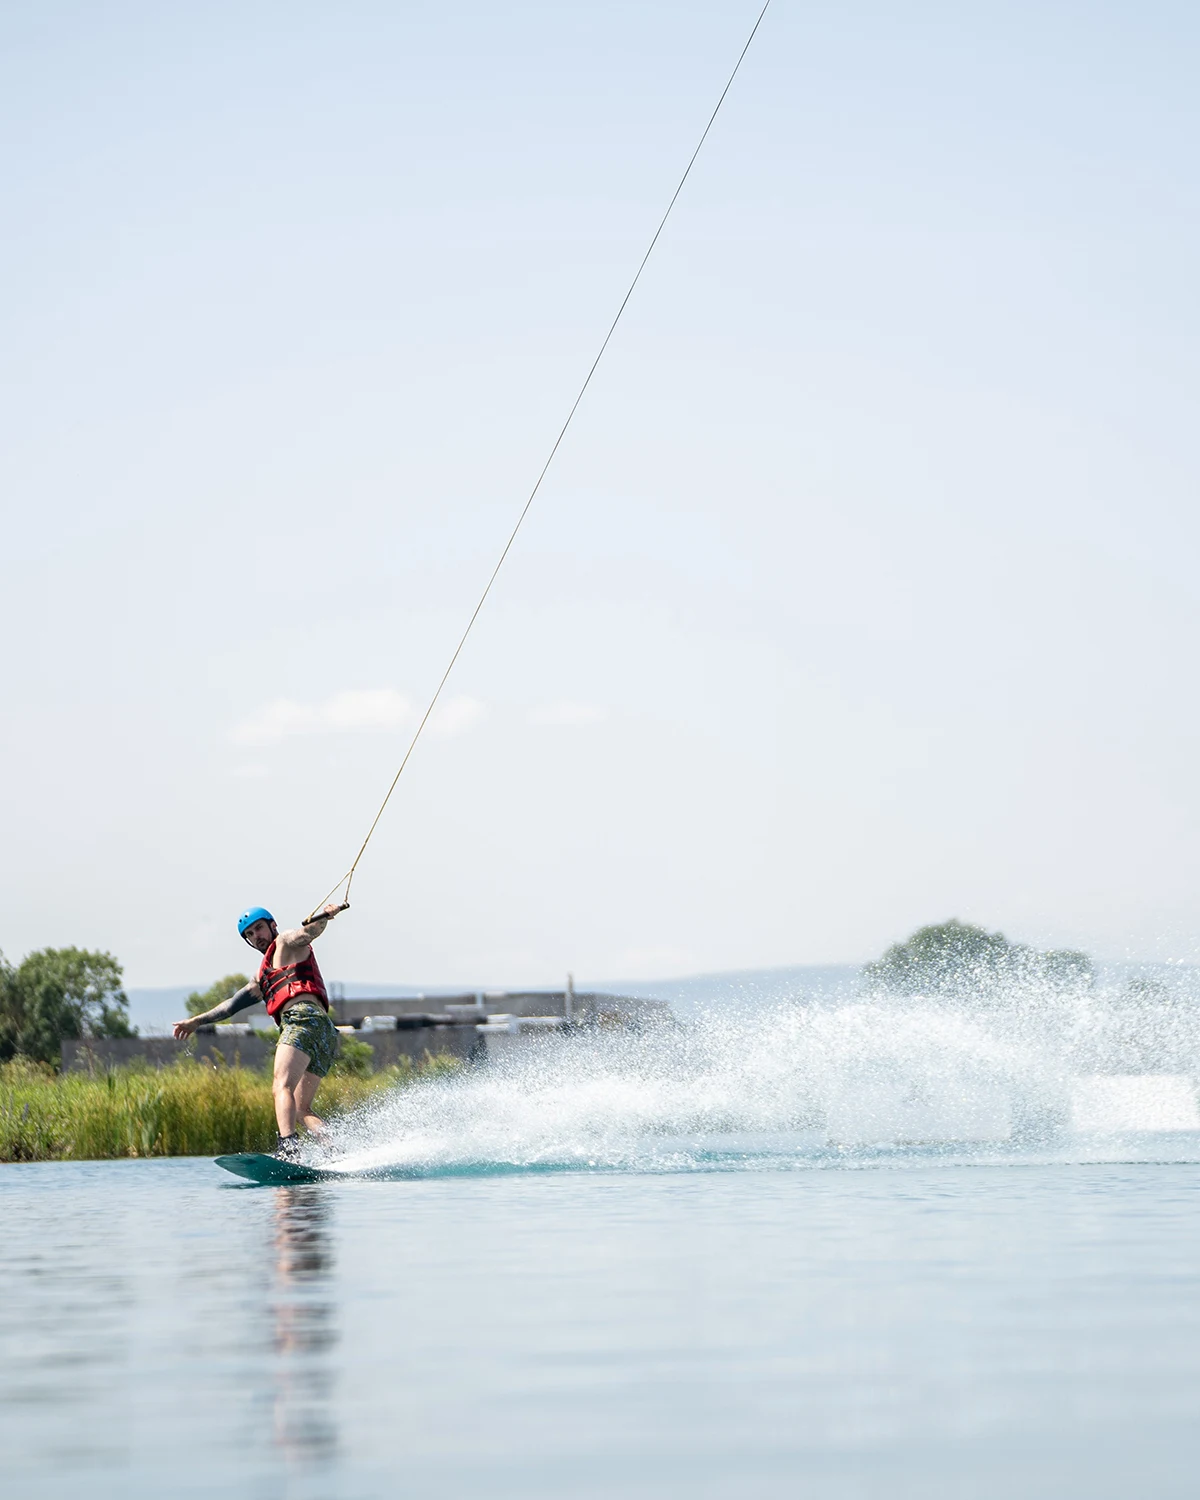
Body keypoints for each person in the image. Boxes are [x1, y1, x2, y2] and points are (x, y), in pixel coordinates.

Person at [174, 902, 347, 1159]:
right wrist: (197, 1021)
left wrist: (325, 916)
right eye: (250, 935)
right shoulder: (262, 976)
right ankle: (338, 1152)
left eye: (259, 929)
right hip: (324, 1032)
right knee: (301, 1109)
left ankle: (288, 1149)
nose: (256, 937)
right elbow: (231, 1006)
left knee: (280, 1086)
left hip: (301, 1019)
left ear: (272, 925)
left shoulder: (286, 942)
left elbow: (308, 933)